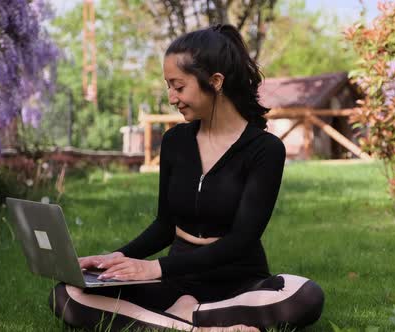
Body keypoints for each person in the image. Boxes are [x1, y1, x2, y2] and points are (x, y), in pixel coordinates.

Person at [50, 24, 324, 331]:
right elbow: (165, 226)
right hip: (175, 277)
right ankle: (195, 326)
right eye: (168, 87)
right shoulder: (175, 141)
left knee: (305, 296)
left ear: (215, 81)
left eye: (178, 87)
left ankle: (183, 316)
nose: (171, 98)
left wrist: (154, 267)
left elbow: (241, 240)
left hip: (236, 282)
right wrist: (116, 257)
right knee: (68, 294)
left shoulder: (265, 150)